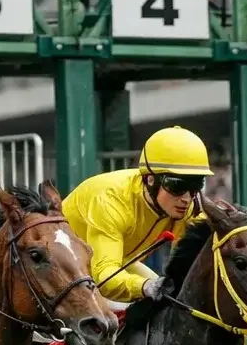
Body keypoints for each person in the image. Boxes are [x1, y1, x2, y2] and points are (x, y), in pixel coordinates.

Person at [61, 125, 210, 305]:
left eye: (195, 185)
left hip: (118, 264)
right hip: (66, 269)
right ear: (150, 179)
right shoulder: (111, 200)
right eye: (177, 186)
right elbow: (105, 278)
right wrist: (145, 286)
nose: (187, 198)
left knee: (171, 299)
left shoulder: (186, 206)